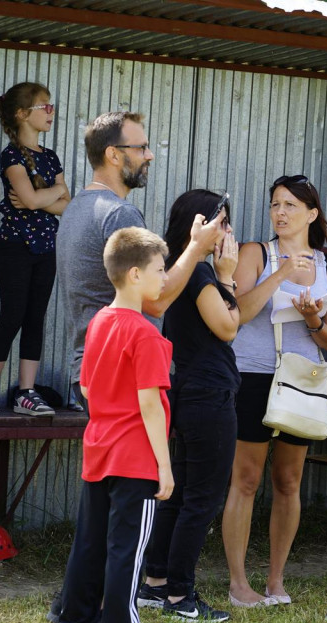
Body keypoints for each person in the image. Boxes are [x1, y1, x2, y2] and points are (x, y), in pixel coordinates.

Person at [223, 174, 327, 607]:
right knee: (246, 479)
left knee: (289, 480)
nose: (280, 213)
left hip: (304, 379)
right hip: (254, 374)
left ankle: (276, 580)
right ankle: (239, 584)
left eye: (291, 205)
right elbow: (236, 314)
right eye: (275, 204)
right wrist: (279, 277)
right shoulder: (255, 253)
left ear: (311, 214)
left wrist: (312, 317)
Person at [57, 227, 174, 623]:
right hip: (136, 457)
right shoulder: (143, 332)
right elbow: (150, 404)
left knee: (90, 543)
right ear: (135, 274)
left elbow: (86, 387)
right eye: (160, 270)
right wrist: (165, 467)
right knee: (128, 549)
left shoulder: (99, 322)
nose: (164, 279)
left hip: (99, 449)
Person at [56, 111, 223, 412]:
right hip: (122, 372)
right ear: (113, 155)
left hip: (93, 370)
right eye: (141, 147)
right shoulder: (119, 213)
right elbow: (154, 301)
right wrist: (197, 247)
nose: (150, 155)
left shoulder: (77, 207)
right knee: (136, 461)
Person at [137, 191, 239, 623]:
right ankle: (180, 594)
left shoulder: (176, 272)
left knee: (181, 496)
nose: (229, 233)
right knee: (203, 498)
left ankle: (156, 581)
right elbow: (228, 326)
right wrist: (228, 276)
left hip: (190, 392)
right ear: (202, 225)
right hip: (208, 395)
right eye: (224, 224)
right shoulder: (197, 274)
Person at [0, 82, 69, 417]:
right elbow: (30, 198)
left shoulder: (51, 157)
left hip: (47, 247)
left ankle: (25, 393)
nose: (50, 112)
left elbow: (66, 205)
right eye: (44, 106)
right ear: (21, 114)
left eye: (51, 105)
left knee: (35, 317)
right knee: (13, 314)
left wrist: (42, 199)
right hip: (15, 245)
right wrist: (51, 194)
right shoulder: (11, 155)